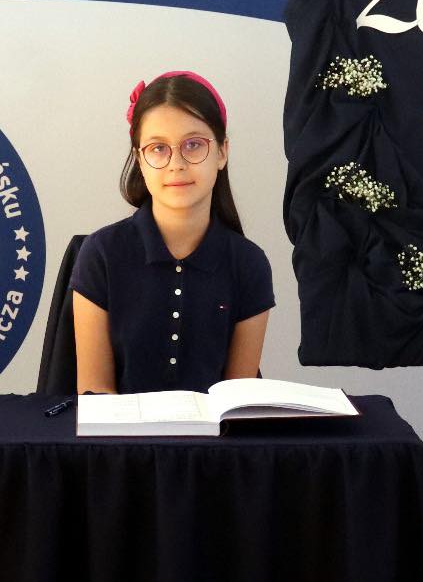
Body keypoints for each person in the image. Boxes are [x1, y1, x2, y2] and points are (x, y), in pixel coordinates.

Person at [71, 71, 273, 394]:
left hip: (215, 430)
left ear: (222, 152)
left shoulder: (250, 264)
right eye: (158, 148)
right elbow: (96, 395)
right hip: (118, 429)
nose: (176, 163)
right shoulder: (100, 254)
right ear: (139, 159)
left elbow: (238, 400)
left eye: (193, 145)